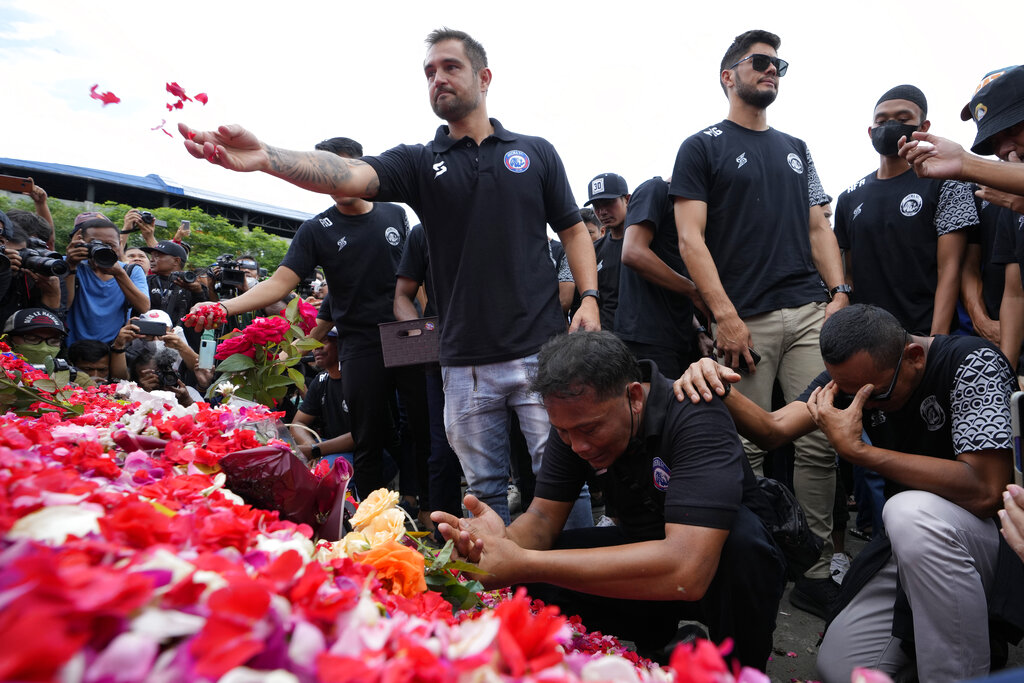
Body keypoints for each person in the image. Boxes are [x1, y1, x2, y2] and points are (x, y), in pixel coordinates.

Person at [181, 28, 599, 526]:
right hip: (460, 363)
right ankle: (503, 593)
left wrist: (589, 298)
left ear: (484, 78)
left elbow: (573, 231)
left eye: (450, 67)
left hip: (538, 351)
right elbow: (350, 173)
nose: (437, 79)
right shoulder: (421, 162)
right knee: (483, 491)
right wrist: (267, 158)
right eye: (428, 72)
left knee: (563, 481)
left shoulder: (535, 152)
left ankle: (577, 591)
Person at [675, 304, 1019, 682]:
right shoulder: (858, 380)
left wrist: (860, 453)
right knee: (841, 668)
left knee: (908, 511)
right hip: (909, 546)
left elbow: (987, 491)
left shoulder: (972, 362)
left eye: (873, 397)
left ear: (914, 357)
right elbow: (773, 430)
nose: (861, 406)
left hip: (990, 541)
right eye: (850, 394)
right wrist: (712, 380)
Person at [431, 331, 784, 669]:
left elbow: (687, 568)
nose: (579, 446)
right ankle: (659, 642)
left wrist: (524, 561)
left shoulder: (693, 411)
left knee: (742, 545)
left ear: (634, 396)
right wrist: (499, 541)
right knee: (537, 574)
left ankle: (739, 669)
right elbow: (541, 518)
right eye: (564, 432)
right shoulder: (573, 423)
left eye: (590, 429)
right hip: (647, 556)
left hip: (717, 568)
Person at [670, 29, 846, 614]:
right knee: (740, 447)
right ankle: (750, 558)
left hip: (808, 312)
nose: (772, 70)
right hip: (744, 320)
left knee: (819, 438)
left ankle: (816, 570)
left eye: (779, 64)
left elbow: (820, 225)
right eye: (761, 62)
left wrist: (839, 292)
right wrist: (725, 316)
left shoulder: (797, 146)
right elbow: (689, 238)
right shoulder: (702, 146)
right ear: (729, 75)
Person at [834, 85, 976, 336]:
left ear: (923, 128)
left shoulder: (948, 183)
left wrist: (936, 342)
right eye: (882, 120)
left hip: (925, 334)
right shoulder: (848, 198)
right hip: (869, 339)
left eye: (903, 119)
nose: (890, 125)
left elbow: (950, 269)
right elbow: (850, 274)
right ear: (870, 131)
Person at [617, 175, 710, 378]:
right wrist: (693, 291)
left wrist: (698, 331)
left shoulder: (690, 214)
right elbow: (633, 252)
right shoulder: (655, 189)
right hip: (647, 339)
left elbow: (676, 286)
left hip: (681, 338)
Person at [64, 212, 150, 346]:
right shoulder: (69, 264)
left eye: (110, 244)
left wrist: (119, 273)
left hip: (113, 351)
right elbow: (63, 305)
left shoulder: (131, 270)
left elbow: (144, 306)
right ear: (81, 243)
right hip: (72, 347)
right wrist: (71, 266)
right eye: (95, 243)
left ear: (120, 243)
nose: (103, 248)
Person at [289, 328, 355, 464]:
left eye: (324, 340)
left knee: (327, 468)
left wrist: (316, 450)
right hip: (328, 447)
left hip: (364, 451)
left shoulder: (358, 379)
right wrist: (310, 445)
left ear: (341, 344)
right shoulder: (321, 380)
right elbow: (298, 423)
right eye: (313, 342)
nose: (316, 347)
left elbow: (362, 435)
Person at [581, 172, 629, 331]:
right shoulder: (593, 250)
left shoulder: (646, 244)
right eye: (597, 206)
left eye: (608, 202)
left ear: (627, 199)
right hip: (607, 343)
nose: (602, 211)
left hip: (647, 339)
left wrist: (698, 330)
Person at [2, 308, 92, 387]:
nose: (44, 348)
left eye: (54, 340)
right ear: (7, 341)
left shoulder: (76, 378)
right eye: (32, 338)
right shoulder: (2, 376)